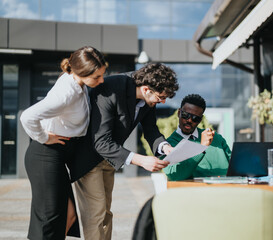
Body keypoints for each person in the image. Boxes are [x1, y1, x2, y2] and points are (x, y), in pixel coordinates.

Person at [70, 63, 179, 240]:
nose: (163, 102)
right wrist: (141, 160)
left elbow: (151, 129)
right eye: (161, 97)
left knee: (105, 213)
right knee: (95, 214)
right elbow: (101, 141)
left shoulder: (149, 96)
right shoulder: (110, 89)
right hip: (88, 157)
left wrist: (164, 147)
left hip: (111, 158)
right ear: (146, 89)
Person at [20, 46, 107, 240]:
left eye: (102, 75)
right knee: (49, 218)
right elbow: (27, 117)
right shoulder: (66, 93)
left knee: (69, 217)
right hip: (45, 154)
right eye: (96, 77)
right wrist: (44, 137)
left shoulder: (79, 83)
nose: (101, 81)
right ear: (81, 72)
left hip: (60, 154)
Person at [163, 94, 231, 181]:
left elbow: (234, 165)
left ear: (200, 120)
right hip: (195, 192)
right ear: (179, 113)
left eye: (195, 118)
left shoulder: (215, 138)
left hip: (225, 189)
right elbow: (174, 175)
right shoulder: (167, 146)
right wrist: (201, 148)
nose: (189, 120)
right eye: (185, 115)